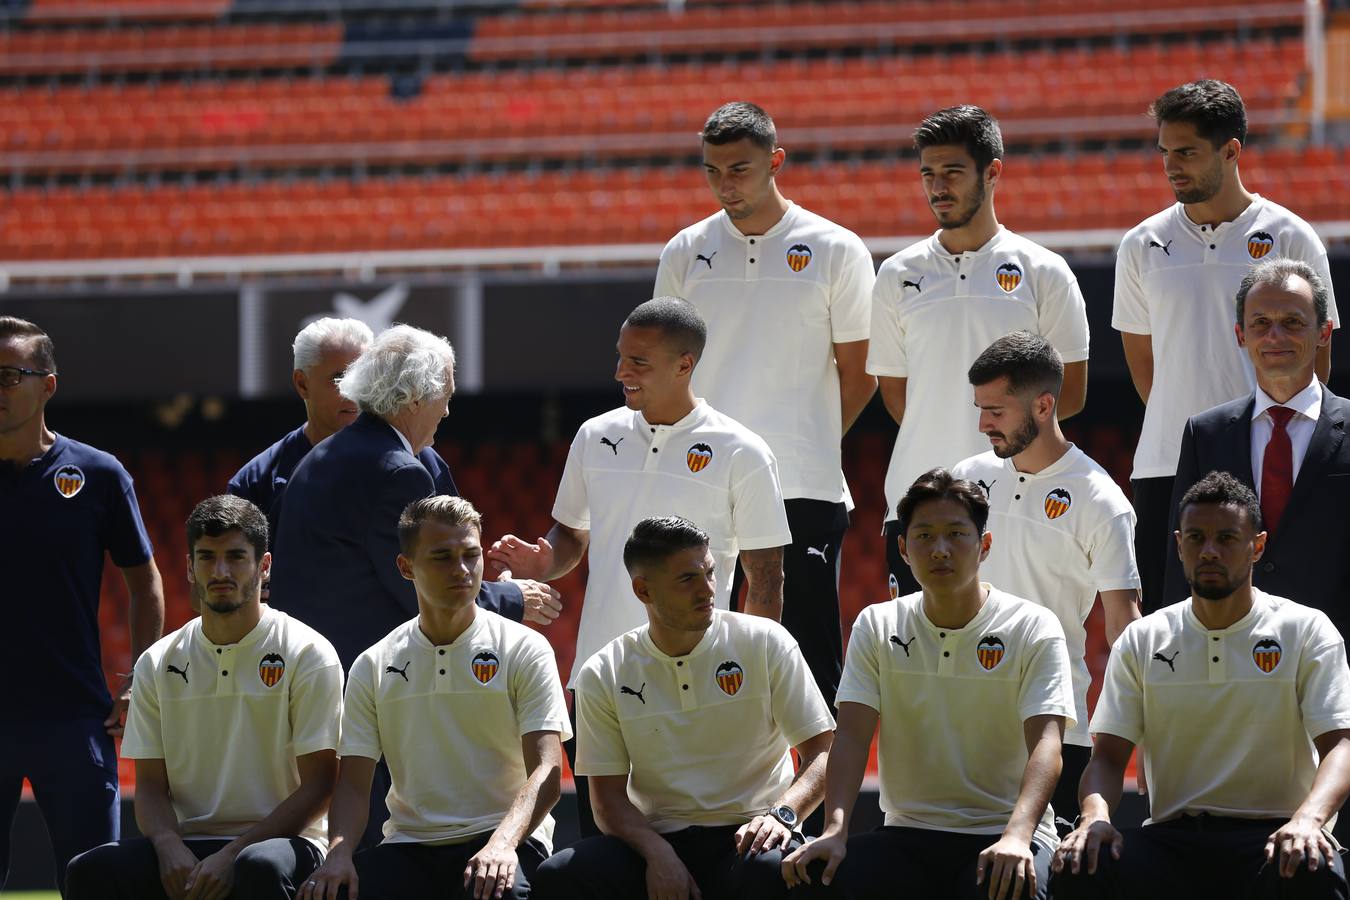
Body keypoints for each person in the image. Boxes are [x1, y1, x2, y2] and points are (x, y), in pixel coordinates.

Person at [487, 297, 792, 835]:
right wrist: (545, 560)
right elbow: (571, 535)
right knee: (605, 841)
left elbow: (765, 576)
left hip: (697, 677)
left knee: (697, 836)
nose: (620, 373)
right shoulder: (593, 435)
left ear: (684, 364)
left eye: (638, 362)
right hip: (598, 675)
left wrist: (754, 672)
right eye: (621, 357)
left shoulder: (742, 450)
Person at [267, 324, 555, 849]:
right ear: (417, 395)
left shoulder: (328, 453)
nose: (447, 410)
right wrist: (515, 597)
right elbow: (419, 586)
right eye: (444, 394)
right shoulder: (399, 470)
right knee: (373, 850)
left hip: (318, 677)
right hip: (369, 686)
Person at [653, 101, 876, 708]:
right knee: (697, 664)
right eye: (713, 171)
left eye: (740, 169)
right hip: (699, 482)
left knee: (807, 668)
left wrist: (802, 443)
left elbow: (860, 376)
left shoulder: (836, 249)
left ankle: (818, 805)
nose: (726, 184)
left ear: (776, 161)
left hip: (803, 485)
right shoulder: (684, 251)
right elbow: (665, 376)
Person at [1051, 472, 1350, 899]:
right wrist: (1095, 816)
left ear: (1258, 546)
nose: (1209, 551)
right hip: (1172, 838)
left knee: (1311, 872)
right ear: (1178, 544)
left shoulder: (1305, 629)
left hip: (1277, 837)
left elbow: (1341, 745)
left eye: (1227, 538)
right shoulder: (1143, 638)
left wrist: (1308, 819)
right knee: (1081, 865)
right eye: (1196, 538)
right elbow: (1108, 757)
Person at [782, 469, 1074, 900]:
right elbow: (851, 739)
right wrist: (835, 830)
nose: (940, 549)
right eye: (924, 536)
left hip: (1004, 831)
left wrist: (1017, 834)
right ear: (902, 547)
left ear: (985, 546)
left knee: (1009, 889)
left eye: (957, 534)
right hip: (907, 834)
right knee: (814, 879)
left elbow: (1047, 746)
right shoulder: (877, 624)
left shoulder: (1033, 625)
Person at [1113, 79, 1339, 613]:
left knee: (1293, 621)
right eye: (1165, 152)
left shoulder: (1292, 236)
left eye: (1187, 152)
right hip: (1167, 463)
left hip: (1271, 461)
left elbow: (1316, 365)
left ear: (1231, 150)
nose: (1172, 165)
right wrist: (1198, 432)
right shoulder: (1140, 244)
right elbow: (1145, 371)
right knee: (1174, 626)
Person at [532, 516, 835, 900]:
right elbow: (607, 800)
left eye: (710, 573)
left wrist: (783, 814)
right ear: (643, 590)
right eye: (687, 579)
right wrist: (657, 853)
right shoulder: (603, 671)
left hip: (753, 834)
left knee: (796, 872)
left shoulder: (766, 641)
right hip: (654, 839)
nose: (708, 590)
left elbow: (823, 751)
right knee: (560, 875)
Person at [66, 495, 343, 900]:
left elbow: (320, 785)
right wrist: (166, 844)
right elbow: (150, 787)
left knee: (258, 866)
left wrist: (232, 853)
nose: (220, 571)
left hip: (287, 843)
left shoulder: (306, 652)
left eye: (235, 557)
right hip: (189, 842)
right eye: (207, 557)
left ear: (264, 566)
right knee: (90, 871)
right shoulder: (157, 663)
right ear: (190, 567)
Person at [868, 105, 1090, 600]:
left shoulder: (1045, 272)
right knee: (917, 667)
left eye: (952, 172)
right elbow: (899, 399)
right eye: (928, 174)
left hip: (1016, 504)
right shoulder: (895, 274)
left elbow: (1068, 395)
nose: (938, 187)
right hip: (916, 500)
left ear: (992, 173)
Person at [299, 496, 570, 900]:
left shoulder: (525, 647)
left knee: (499, 892)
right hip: (408, 844)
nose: (462, 570)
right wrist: (338, 854)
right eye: (442, 557)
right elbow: (354, 786)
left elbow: (548, 770)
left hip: (504, 837)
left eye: (471, 555)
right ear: (406, 567)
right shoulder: (373, 663)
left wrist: (502, 843)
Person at [0, 316, 165, 894]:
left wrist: (139, 676)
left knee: (95, 881)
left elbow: (145, 583)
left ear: (47, 385)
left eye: (9, 375)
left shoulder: (96, 474)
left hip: (73, 717)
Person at [952, 332, 1141, 828]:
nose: (982, 424)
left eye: (995, 411)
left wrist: (1123, 735)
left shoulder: (1102, 499)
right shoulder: (964, 479)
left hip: (1054, 724)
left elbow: (1124, 627)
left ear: (1042, 405)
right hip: (960, 716)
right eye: (980, 408)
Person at [1167, 259, 1350, 639]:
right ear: (1241, 334)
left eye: (1293, 322)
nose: (1275, 336)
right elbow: (1182, 562)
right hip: (1231, 655)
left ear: (1324, 331)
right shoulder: (1205, 433)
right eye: (1261, 323)